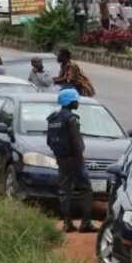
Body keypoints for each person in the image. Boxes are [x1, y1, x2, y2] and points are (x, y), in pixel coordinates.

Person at [46, 88, 94, 233]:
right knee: (86, 189)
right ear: (70, 102)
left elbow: (49, 141)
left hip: (61, 160)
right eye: (76, 100)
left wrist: (60, 155)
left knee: (64, 191)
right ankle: (86, 224)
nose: (78, 102)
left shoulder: (53, 118)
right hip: (75, 160)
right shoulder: (71, 119)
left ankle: (67, 224)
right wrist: (80, 160)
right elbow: (76, 142)